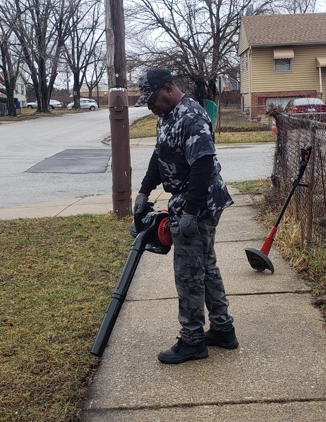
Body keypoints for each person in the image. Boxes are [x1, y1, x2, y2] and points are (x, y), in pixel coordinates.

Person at [133, 68, 238, 364]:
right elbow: (160, 155)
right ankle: (222, 328)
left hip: (199, 204)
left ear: (168, 89)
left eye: (152, 99)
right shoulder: (167, 117)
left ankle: (192, 339)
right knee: (205, 266)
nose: (150, 106)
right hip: (190, 202)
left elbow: (203, 165)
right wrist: (144, 192)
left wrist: (190, 212)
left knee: (189, 273)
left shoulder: (191, 117)